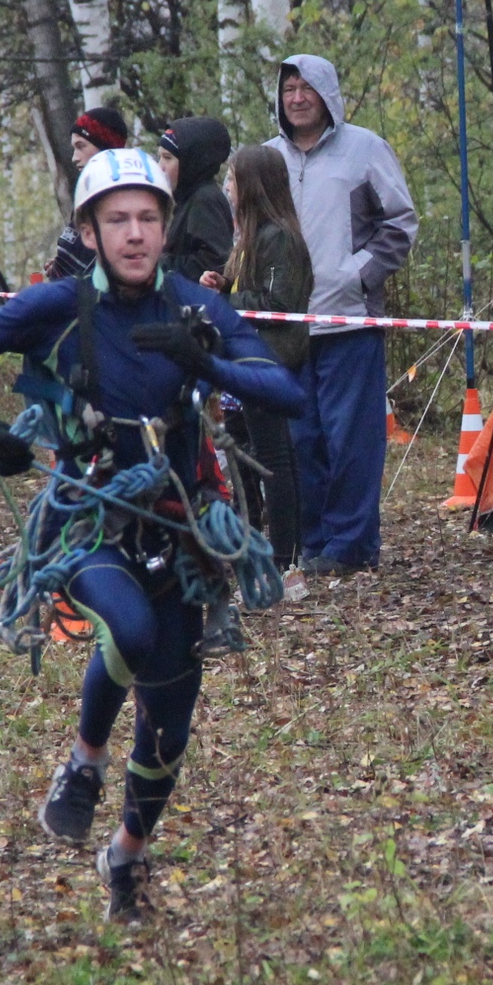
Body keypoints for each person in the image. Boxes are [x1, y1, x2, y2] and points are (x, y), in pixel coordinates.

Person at [0, 147, 300, 921]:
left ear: (167, 224)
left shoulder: (192, 305)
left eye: (149, 217)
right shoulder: (58, 304)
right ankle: (83, 761)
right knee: (132, 627)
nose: (137, 233)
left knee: (172, 723)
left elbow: (287, 390)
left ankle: (127, 855)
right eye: (118, 219)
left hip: (181, 526)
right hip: (87, 519)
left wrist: (210, 361)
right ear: (89, 228)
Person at [266, 54, 416, 574]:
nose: (298, 97)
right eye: (289, 88)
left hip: (350, 319)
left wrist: (356, 275)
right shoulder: (269, 159)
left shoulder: (364, 149)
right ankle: (313, 544)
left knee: (350, 438)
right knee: (300, 439)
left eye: (307, 87)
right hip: (287, 326)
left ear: (327, 92)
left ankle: (352, 547)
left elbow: (400, 223)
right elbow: (244, 232)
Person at [209, 144, 311, 588]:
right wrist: (220, 279)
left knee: (275, 460)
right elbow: (246, 286)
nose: (227, 188)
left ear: (251, 186)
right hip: (243, 361)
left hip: (268, 362)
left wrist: (226, 301)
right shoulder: (247, 239)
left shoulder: (279, 237)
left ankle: (287, 562)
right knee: (242, 456)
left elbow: (278, 303)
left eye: (232, 180)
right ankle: (252, 551)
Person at [44, 106, 135, 281]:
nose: (74, 157)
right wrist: (61, 264)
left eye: (81, 146)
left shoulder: (119, 200)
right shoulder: (88, 194)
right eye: (74, 148)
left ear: (105, 148)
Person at [157, 118, 235, 282]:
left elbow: (215, 262)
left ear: (190, 161)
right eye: (160, 157)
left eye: (168, 157)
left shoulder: (204, 200)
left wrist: (158, 262)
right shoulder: (187, 197)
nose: (160, 166)